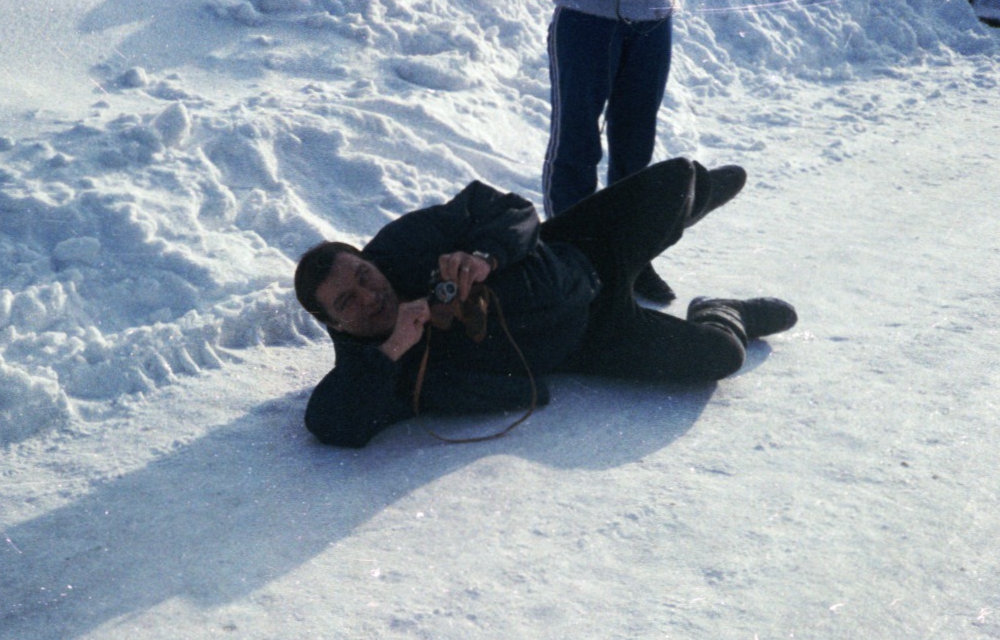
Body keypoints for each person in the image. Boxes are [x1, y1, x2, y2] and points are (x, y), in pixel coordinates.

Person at [293, 158, 795, 448]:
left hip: (576, 252)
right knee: (720, 356)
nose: (370, 294)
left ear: (369, 259)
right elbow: (329, 422)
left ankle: (687, 207)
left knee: (680, 178)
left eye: (363, 275)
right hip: (590, 339)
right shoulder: (370, 370)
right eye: (347, 301)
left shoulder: (401, 246)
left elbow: (503, 207)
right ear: (329, 321)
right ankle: (725, 308)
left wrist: (485, 256)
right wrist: (397, 346)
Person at [519, 0, 724, 304]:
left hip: (652, 11)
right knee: (576, 138)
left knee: (635, 140)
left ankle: (630, 258)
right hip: (585, 11)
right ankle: (569, 260)